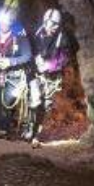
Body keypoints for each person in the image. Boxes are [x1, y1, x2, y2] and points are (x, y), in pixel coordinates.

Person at [0, 0, 32, 140]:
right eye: (2, 22)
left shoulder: (19, 32)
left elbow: (27, 55)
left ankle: (3, 127)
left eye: (7, 23)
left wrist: (10, 62)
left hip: (12, 74)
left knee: (8, 99)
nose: (4, 26)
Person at [27, 8, 70, 147]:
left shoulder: (62, 38)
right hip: (35, 73)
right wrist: (35, 60)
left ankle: (37, 133)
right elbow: (28, 49)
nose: (52, 27)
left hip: (51, 76)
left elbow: (64, 58)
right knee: (34, 100)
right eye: (49, 24)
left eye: (55, 25)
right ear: (44, 22)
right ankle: (29, 128)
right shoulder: (36, 33)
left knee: (46, 105)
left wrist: (50, 65)